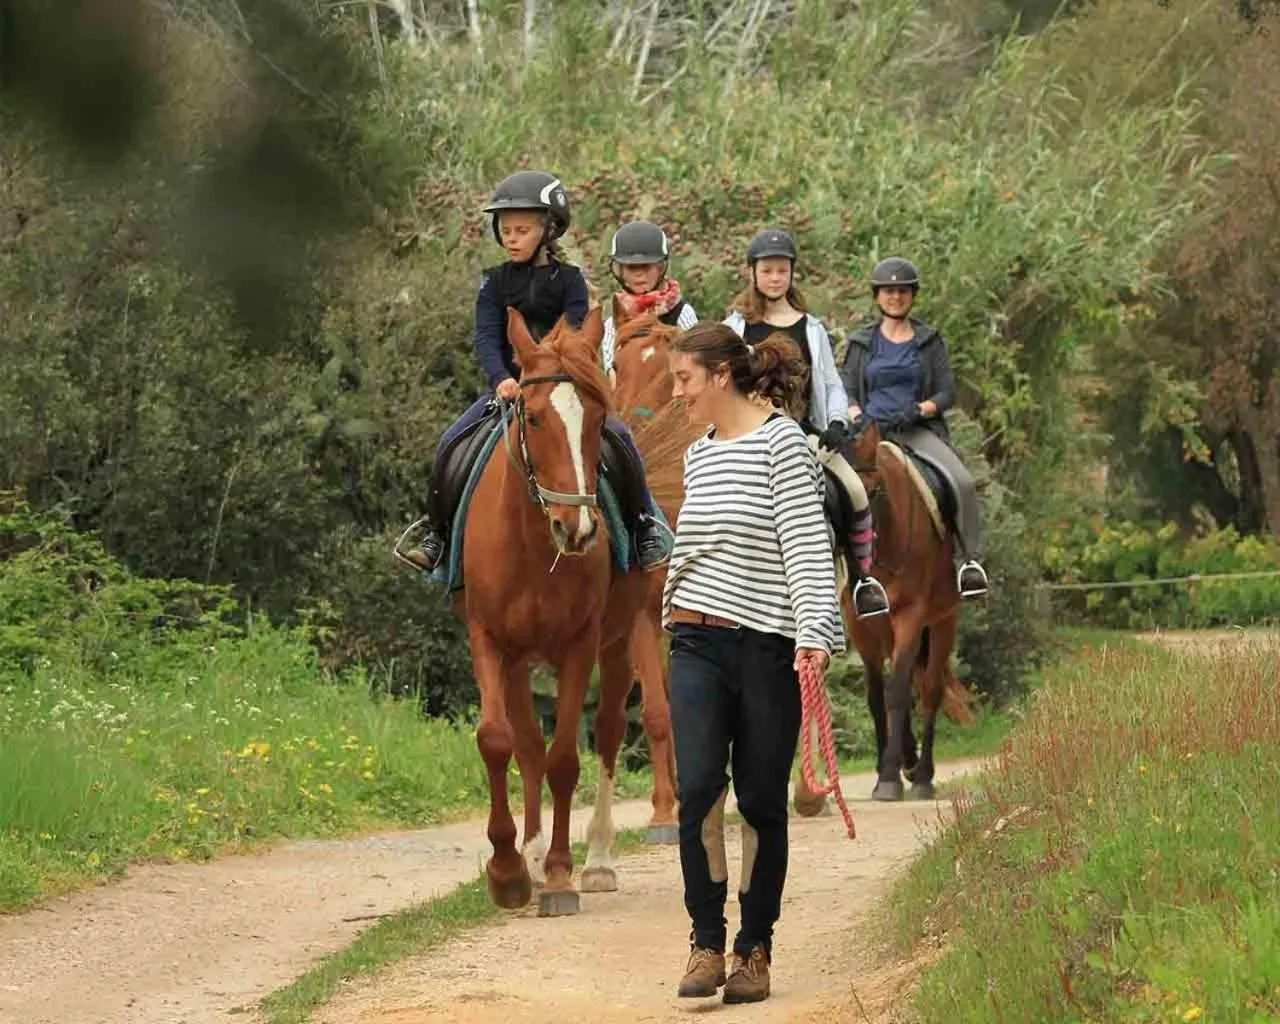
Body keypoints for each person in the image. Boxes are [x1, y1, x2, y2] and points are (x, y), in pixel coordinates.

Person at [662, 321, 844, 1005]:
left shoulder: (785, 446)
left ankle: (754, 949)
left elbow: (802, 544)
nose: (678, 394)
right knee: (700, 790)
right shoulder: (699, 455)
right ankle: (707, 942)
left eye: (683, 380)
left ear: (718, 375)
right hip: (696, 641)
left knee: (761, 801)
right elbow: (691, 549)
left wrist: (814, 633)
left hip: (768, 643)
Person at [401, 171, 671, 573]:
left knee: (621, 440)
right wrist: (501, 378)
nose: (511, 238)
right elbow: (487, 337)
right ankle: (437, 534)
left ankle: (643, 527)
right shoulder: (492, 283)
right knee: (450, 443)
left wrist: (558, 372)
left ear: (549, 231)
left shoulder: (571, 281)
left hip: (565, 391)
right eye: (505, 230)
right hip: (509, 391)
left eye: (522, 230)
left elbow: (579, 338)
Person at [724, 228, 889, 619]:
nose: (775, 278)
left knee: (854, 489)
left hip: (803, 434)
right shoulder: (735, 326)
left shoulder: (810, 328)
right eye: (768, 270)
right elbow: (725, 381)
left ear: (791, 274)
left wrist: (834, 422)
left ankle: (864, 579)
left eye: (782, 270)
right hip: (749, 435)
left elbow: (830, 383)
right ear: (753, 273)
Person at [840, 257, 989, 598]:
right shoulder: (861, 342)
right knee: (833, 489)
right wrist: (857, 416)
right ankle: (834, 571)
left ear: (912, 296)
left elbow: (947, 392)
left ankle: (970, 562)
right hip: (870, 434)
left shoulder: (928, 340)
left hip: (916, 430)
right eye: (889, 291)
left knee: (962, 482)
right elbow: (845, 388)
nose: (896, 297)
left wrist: (919, 409)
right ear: (877, 296)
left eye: (903, 291)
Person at [600, 219, 700, 384]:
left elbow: (695, 366)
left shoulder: (682, 314)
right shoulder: (612, 324)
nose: (639, 274)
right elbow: (613, 377)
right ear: (620, 271)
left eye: (646, 266)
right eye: (631, 267)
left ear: (660, 267)